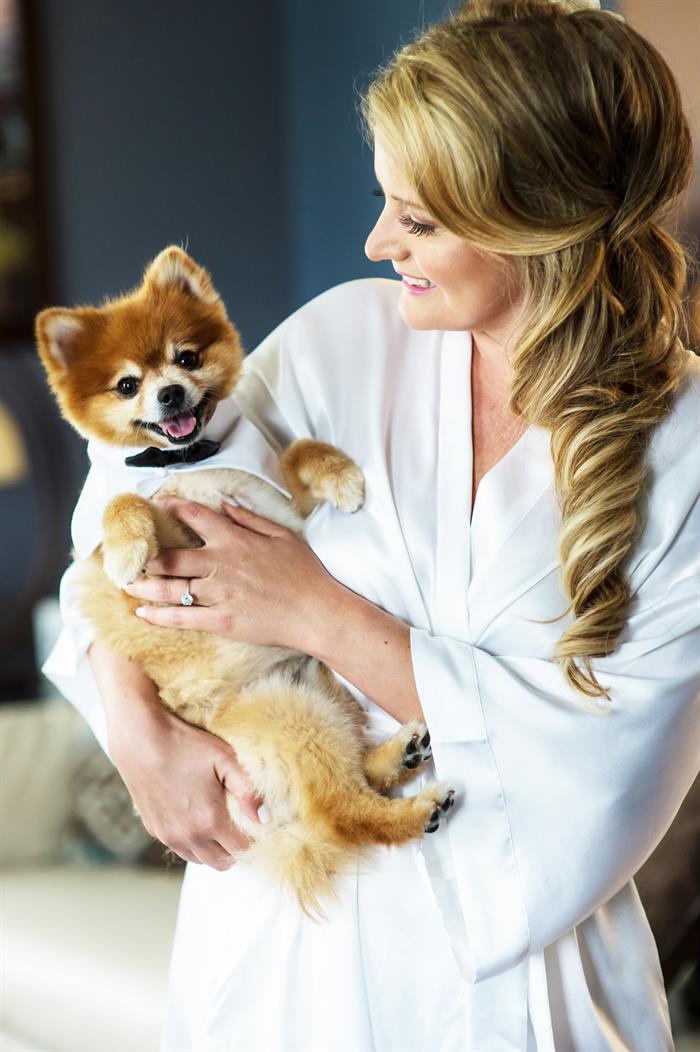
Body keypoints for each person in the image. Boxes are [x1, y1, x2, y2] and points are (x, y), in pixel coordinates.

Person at [44, 0, 700, 1048]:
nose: (375, 239)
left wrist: (323, 614)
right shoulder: (339, 343)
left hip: (512, 995)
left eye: (419, 219)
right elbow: (125, 503)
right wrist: (135, 724)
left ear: (536, 219)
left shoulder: (684, 452)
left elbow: (593, 784)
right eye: (386, 201)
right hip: (275, 949)